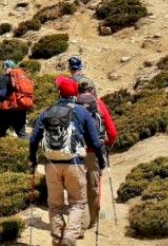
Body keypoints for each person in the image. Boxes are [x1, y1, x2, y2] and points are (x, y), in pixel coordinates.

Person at [29, 77, 106, 246]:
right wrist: (101, 160)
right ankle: (70, 237)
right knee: (77, 203)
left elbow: (34, 138)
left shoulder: (47, 112)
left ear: (59, 93)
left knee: (55, 204)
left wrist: (33, 159)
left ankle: (57, 236)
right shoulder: (82, 112)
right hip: (74, 162)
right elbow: (94, 141)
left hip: (51, 164)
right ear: (76, 94)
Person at [76, 80, 118, 234]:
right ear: (93, 90)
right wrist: (108, 142)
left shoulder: (73, 105)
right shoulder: (99, 104)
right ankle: (92, 220)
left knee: (78, 186)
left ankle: (80, 223)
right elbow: (112, 132)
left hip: (76, 151)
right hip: (94, 151)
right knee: (93, 186)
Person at [0, 60, 34, 139]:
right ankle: (30, 149)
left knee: (1, 131)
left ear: (5, 67)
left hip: (8, 109)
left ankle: (2, 148)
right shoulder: (22, 77)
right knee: (22, 133)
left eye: (4, 67)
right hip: (21, 107)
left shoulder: (5, 78)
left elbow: (2, 94)